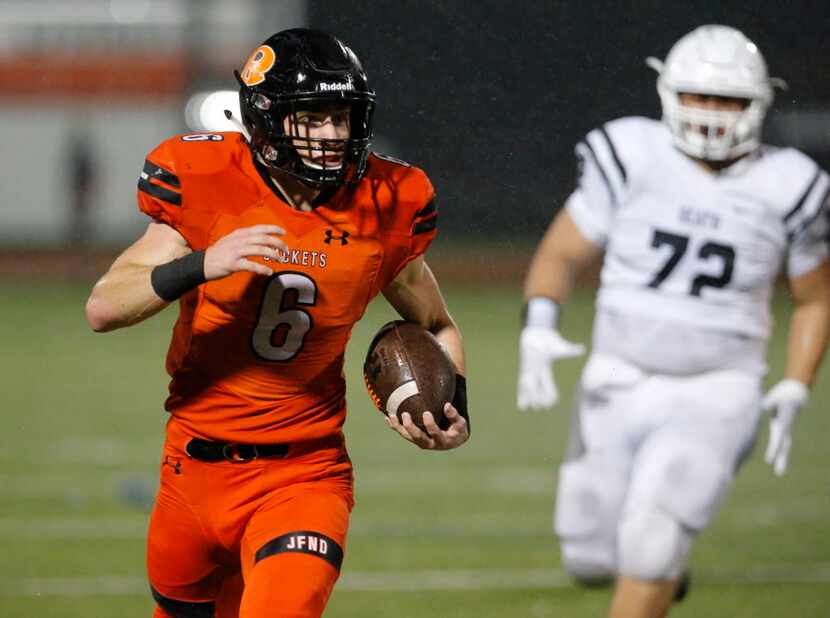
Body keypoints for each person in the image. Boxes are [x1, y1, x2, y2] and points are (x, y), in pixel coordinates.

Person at [85, 28, 469, 618]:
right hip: (192, 467)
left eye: (341, 117)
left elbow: (437, 323)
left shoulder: (387, 202)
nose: (332, 136)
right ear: (265, 120)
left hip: (305, 472)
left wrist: (453, 406)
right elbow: (104, 308)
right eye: (312, 118)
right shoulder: (205, 179)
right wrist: (202, 263)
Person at [517, 24, 830, 618]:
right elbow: (562, 253)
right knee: (588, 557)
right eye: (698, 96)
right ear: (668, 93)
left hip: (716, 390)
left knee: (651, 541)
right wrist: (538, 325)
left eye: (728, 99)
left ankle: (659, 567)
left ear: (758, 103)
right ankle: (662, 575)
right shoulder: (631, 155)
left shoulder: (790, 184)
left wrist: (795, 382)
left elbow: (815, 297)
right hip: (617, 375)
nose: (711, 113)